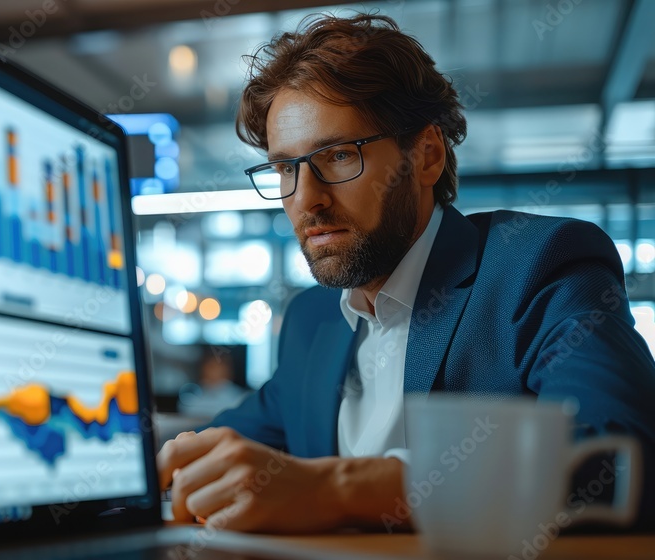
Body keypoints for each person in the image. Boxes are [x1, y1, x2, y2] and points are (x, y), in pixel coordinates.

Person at [156, 13, 655, 534]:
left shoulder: (540, 266)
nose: (306, 200)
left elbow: (621, 454)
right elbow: (222, 451)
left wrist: (338, 489)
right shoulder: (312, 319)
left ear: (427, 156)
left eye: (339, 155)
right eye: (286, 169)